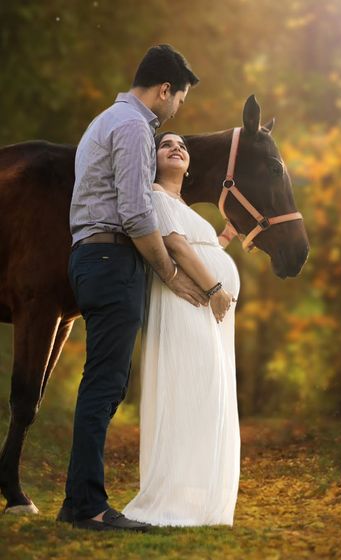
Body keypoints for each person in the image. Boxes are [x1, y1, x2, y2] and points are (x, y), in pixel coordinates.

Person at [57, 45, 205, 532]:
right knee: (105, 385)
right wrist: (169, 273)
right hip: (110, 257)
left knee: (100, 382)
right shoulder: (134, 127)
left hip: (91, 256)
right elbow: (137, 211)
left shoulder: (108, 120)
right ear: (165, 90)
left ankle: (76, 499)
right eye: (179, 98)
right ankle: (90, 508)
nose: (177, 109)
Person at [122, 132, 240, 527]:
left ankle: (195, 492)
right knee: (187, 387)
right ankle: (172, 493)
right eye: (166, 144)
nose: (176, 148)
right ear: (153, 158)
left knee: (205, 392)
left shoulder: (182, 203)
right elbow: (177, 246)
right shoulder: (155, 194)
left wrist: (224, 236)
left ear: (188, 166)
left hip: (205, 309)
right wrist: (216, 288)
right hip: (187, 301)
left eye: (182, 147)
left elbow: (199, 243)